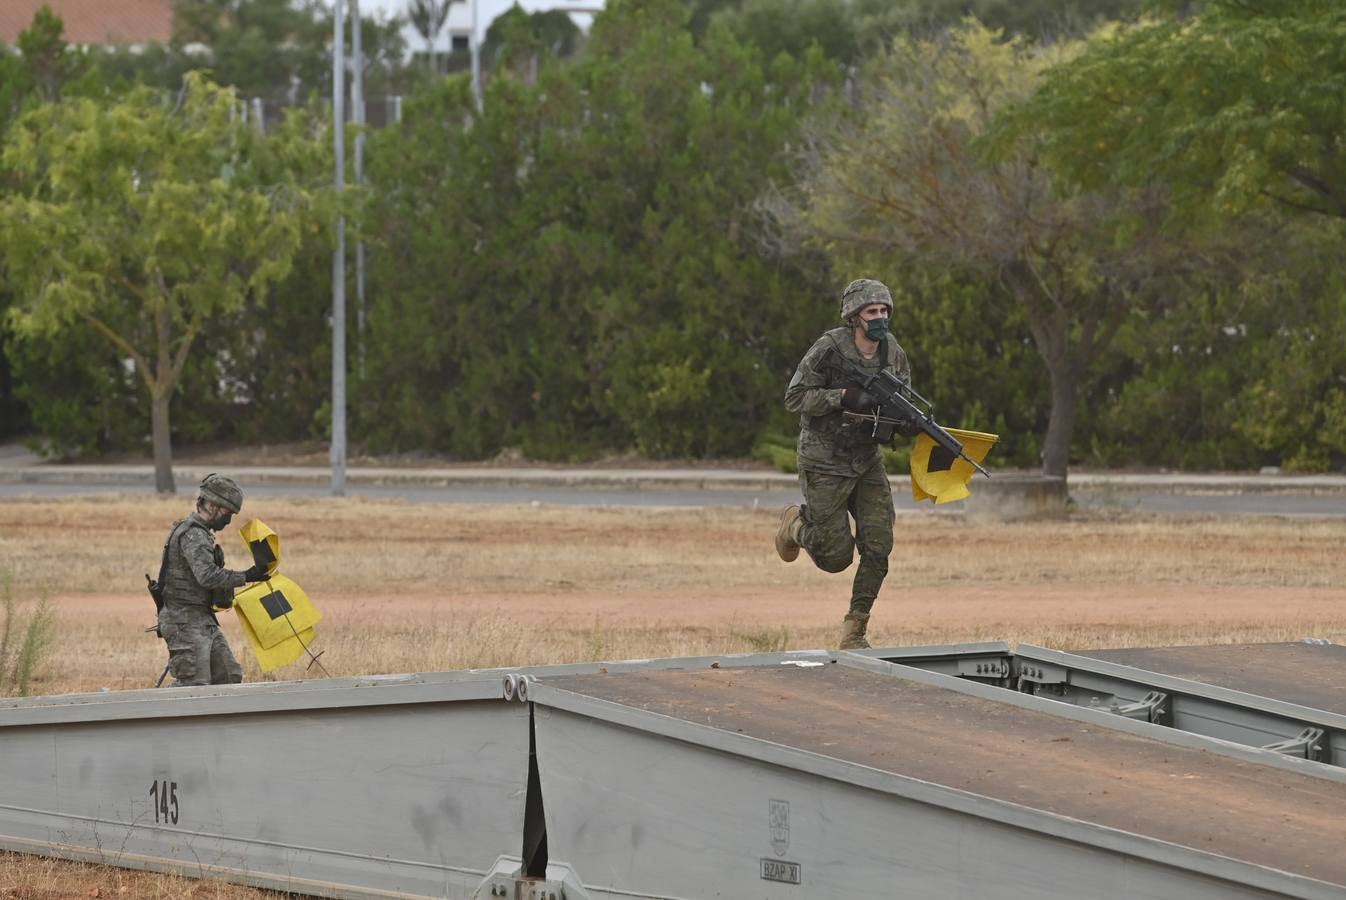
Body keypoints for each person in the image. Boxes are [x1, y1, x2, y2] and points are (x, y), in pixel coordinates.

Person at [776, 278, 918, 650]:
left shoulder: (893, 354)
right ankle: (795, 526)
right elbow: (795, 398)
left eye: (885, 310)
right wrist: (843, 397)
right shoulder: (830, 348)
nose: (880, 318)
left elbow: (899, 404)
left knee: (879, 546)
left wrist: (903, 424)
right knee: (835, 558)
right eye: (872, 312)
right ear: (854, 317)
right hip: (824, 460)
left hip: (866, 461)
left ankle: (854, 632)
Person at [158, 473, 267, 686]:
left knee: (228, 676)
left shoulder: (199, 533)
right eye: (227, 513)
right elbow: (207, 576)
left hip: (201, 619)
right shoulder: (193, 535)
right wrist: (246, 576)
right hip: (184, 621)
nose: (228, 520)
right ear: (211, 505)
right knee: (194, 685)